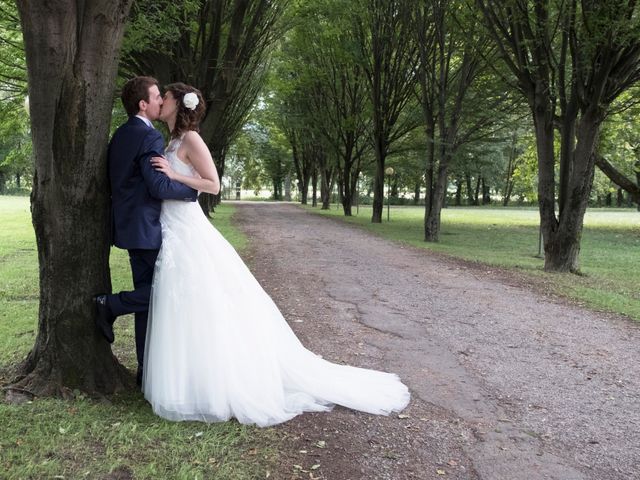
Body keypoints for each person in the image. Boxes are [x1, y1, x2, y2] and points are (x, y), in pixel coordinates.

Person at [142, 82, 410, 426]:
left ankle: (218, 383)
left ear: (179, 103)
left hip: (188, 226)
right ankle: (190, 380)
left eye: (165, 97)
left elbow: (213, 184)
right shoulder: (172, 141)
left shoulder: (192, 139)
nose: (161, 101)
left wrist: (176, 174)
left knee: (202, 299)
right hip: (172, 225)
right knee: (187, 302)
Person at [94, 76, 199, 386]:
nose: (160, 102)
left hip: (128, 227)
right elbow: (157, 186)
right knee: (164, 293)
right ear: (143, 104)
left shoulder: (120, 134)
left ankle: (145, 372)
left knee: (148, 302)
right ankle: (109, 305)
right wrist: (191, 191)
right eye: (156, 97)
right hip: (147, 227)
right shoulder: (150, 138)